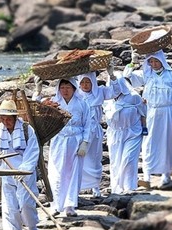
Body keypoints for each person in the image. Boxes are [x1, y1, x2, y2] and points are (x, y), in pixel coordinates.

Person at [123, 49, 172, 188]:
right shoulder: (146, 75)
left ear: (162, 61)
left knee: (166, 142)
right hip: (151, 112)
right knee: (148, 143)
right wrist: (133, 63)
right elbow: (127, 78)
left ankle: (166, 175)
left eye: (157, 61)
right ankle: (147, 176)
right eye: (151, 61)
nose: (154, 64)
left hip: (168, 111)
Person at [0, 99, 41, 230]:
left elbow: (32, 151)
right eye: (3, 119)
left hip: (24, 172)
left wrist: (23, 170)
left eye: (8, 119)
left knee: (25, 203)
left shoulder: (26, 129)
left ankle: (32, 229)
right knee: (10, 204)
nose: (6, 122)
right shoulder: (0, 130)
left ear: (14, 118)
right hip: (7, 172)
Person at [39, 78, 93, 217]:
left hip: (76, 140)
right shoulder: (54, 104)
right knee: (56, 172)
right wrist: (38, 93)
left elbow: (88, 124)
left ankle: (70, 205)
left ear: (74, 88)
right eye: (62, 87)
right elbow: (38, 112)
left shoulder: (82, 104)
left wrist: (85, 142)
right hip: (59, 140)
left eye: (68, 87)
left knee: (73, 173)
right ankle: (55, 205)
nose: (65, 90)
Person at [75, 67, 120, 197]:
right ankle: (77, 188)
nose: (85, 85)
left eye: (88, 82)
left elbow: (116, 91)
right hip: (81, 131)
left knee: (94, 159)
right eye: (82, 82)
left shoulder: (99, 92)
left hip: (95, 132)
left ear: (93, 82)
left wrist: (112, 75)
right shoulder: (77, 95)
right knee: (79, 159)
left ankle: (95, 188)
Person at [103, 72, 146, 194]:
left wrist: (145, 129)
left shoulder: (134, 96)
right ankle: (117, 188)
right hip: (115, 134)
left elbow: (144, 113)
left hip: (133, 133)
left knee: (128, 159)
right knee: (116, 161)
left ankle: (129, 186)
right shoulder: (108, 100)